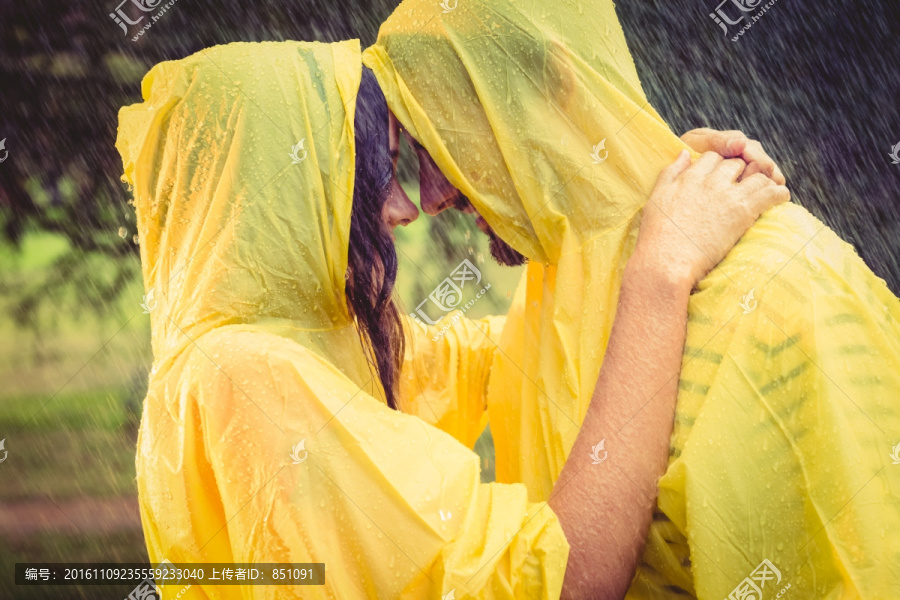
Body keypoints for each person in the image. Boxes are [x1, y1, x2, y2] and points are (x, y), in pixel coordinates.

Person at [116, 39, 788, 599]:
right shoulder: (247, 377)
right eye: (369, 176)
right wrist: (660, 271)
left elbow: (517, 351)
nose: (405, 209)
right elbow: (564, 581)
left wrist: (636, 194)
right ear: (278, 196)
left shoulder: (295, 347)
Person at [363, 0, 900, 597]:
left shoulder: (786, 289)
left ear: (563, 87)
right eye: (414, 151)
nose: (430, 198)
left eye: (444, 137)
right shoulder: (548, 299)